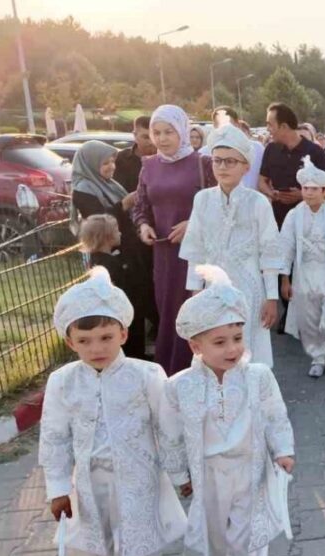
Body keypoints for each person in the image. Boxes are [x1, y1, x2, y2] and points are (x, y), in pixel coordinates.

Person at [40, 267, 186, 556]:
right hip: (90, 483)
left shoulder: (147, 375)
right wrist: (57, 488)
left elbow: (168, 428)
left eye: (106, 337)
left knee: (137, 548)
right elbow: (54, 438)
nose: (96, 348)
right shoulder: (63, 382)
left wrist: (181, 472)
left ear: (123, 333)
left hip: (138, 480)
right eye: (84, 340)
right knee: (102, 549)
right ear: (70, 342)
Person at [159, 265, 295, 556]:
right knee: (221, 539)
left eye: (237, 337)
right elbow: (170, 435)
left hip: (250, 472)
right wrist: (177, 473)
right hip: (208, 478)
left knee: (247, 540)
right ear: (195, 346)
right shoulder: (179, 387)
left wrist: (283, 452)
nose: (233, 348)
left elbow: (275, 415)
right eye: (220, 342)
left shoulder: (258, 377)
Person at [178, 124, 282, 367]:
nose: (222, 167)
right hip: (212, 289)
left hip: (249, 289)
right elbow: (196, 250)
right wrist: (195, 293)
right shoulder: (202, 200)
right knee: (215, 346)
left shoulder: (258, 203)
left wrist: (272, 296)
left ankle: (252, 399)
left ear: (246, 165)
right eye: (217, 161)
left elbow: (270, 252)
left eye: (230, 161)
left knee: (248, 347)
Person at [134, 104, 217, 375]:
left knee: (196, 310)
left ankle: (201, 372)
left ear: (182, 130)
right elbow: (141, 207)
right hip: (164, 256)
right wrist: (144, 225)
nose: (162, 138)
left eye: (168, 131)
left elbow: (221, 206)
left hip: (196, 256)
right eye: (156, 132)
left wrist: (193, 224)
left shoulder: (203, 164)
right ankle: (170, 375)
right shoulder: (148, 166)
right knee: (168, 314)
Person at [71, 141, 151, 359]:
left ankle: (137, 355)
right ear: (91, 164)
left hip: (126, 252)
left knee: (136, 308)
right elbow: (97, 221)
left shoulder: (109, 184)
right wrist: (123, 205)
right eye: (105, 163)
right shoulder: (84, 189)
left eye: (112, 161)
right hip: (111, 254)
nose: (111, 167)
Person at [279, 156, 325, 378]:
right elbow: (286, 247)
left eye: (314, 189)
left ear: (324, 191)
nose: (309, 192)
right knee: (308, 320)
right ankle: (317, 356)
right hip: (304, 274)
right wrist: (285, 279)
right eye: (305, 188)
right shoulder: (293, 216)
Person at [78, 214, 150, 360]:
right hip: (124, 314)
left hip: (115, 315)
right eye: (117, 230)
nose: (120, 233)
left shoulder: (97, 260)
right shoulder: (109, 265)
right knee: (133, 344)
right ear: (107, 237)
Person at [259, 103, 325, 227]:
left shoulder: (314, 151)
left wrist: (302, 195)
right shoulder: (270, 149)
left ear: (283, 126)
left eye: (270, 124)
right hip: (278, 221)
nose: (267, 129)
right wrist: (272, 194)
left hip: (309, 222)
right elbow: (261, 181)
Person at [114, 115, 156, 193]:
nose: (151, 142)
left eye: (154, 136)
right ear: (135, 135)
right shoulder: (120, 159)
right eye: (146, 137)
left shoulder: (166, 159)